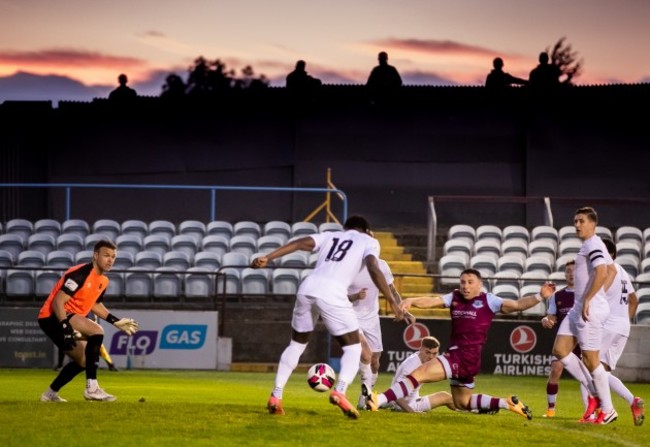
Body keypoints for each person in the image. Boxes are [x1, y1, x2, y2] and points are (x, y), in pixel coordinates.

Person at [250, 215, 408, 419]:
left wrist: (268, 257)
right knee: (353, 348)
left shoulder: (331, 236)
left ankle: (276, 395)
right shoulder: (369, 241)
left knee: (296, 345)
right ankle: (340, 391)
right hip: (333, 293)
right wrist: (393, 302)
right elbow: (372, 266)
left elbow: (300, 243)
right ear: (367, 230)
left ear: (346, 228)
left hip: (307, 288)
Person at [365, 268, 556, 419]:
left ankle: (378, 399)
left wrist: (540, 296)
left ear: (480, 284)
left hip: (463, 355)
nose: (465, 286)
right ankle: (507, 403)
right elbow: (433, 301)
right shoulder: (454, 297)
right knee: (462, 403)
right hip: (467, 360)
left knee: (419, 374)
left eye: (470, 282)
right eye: (463, 282)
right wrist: (413, 300)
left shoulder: (489, 300)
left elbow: (517, 305)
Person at [38, 240, 138, 402]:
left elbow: (95, 304)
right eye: (106, 255)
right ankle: (92, 388)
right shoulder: (80, 273)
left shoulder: (103, 280)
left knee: (83, 361)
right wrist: (65, 327)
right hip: (52, 317)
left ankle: (49, 394)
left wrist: (115, 321)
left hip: (68, 317)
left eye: (113, 257)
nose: (110, 260)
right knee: (97, 331)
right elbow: (58, 302)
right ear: (95, 255)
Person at [551, 206, 618, 424]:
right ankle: (595, 395)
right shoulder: (590, 245)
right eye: (575, 221)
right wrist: (595, 296)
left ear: (593, 223)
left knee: (590, 359)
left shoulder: (594, 244)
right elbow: (612, 270)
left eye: (581, 221)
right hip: (578, 308)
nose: (577, 224)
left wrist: (591, 299)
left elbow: (602, 272)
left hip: (587, 309)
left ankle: (608, 409)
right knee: (560, 350)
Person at [347, 255, 415, 409]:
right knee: (366, 353)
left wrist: (403, 310)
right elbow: (338, 297)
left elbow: (391, 290)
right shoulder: (349, 266)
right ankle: (366, 398)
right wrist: (355, 296)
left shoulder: (382, 265)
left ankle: (363, 399)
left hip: (371, 319)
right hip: (350, 316)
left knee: (375, 362)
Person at [599, 239, 644, 426]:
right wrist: (625, 320)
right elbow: (634, 300)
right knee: (601, 372)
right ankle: (632, 401)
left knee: (590, 367)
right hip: (622, 327)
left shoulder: (608, 270)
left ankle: (597, 413)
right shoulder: (623, 271)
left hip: (609, 325)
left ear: (610, 254)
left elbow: (597, 296)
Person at [540, 260, 582, 417]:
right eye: (568, 271)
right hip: (564, 342)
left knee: (588, 376)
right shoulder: (557, 295)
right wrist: (546, 320)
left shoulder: (586, 293)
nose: (571, 273)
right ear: (565, 275)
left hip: (583, 341)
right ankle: (551, 409)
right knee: (556, 370)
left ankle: (595, 410)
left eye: (574, 270)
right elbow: (551, 317)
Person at [382, 336, 454, 413]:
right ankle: (466, 407)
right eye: (428, 352)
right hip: (407, 405)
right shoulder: (411, 366)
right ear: (421, 348)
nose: (431, 357)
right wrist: (412, 412)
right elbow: (396, 393)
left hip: (409, 400)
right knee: (445, 397)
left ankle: (466, 408)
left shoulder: (418, 357)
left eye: (434, 353)